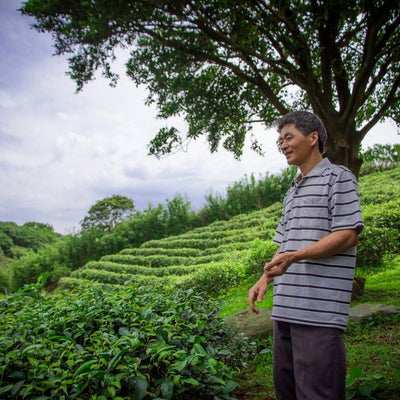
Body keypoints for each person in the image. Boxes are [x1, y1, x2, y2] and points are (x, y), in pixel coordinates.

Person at [248, 111, 364, 400]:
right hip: (285, 309)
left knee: (317, 393)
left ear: (313, 138)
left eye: (289, 137)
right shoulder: (292, 191)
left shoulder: (339, 178)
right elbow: (283, 242)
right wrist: (264, 278)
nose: (283, 145)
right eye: (280, 140)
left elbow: (348, 234)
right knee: (286, 391)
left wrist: (295, 257)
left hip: (319, 313)